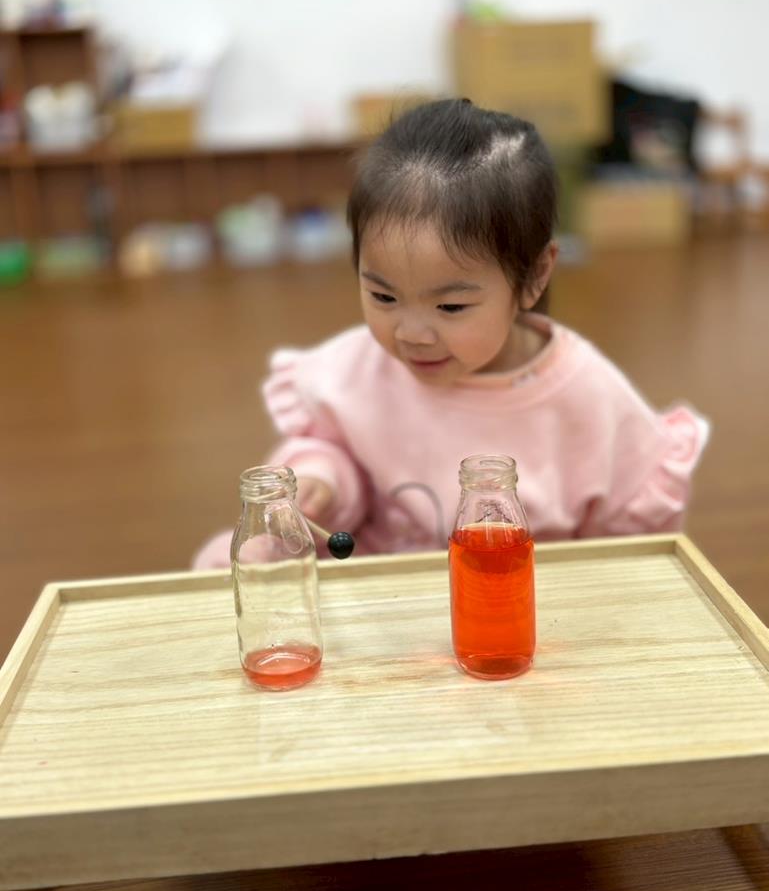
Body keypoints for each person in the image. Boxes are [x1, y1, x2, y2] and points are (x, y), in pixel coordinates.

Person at [193, 99, 708, 568]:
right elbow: (328, 446)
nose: (412, 334)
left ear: (534, 276)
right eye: (384, 297)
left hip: (515, 620)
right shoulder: (356, 369)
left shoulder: (590, 400)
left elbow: (632, 556)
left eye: (451, 306)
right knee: (227, 563)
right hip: (384, 612)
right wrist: (320, 481)